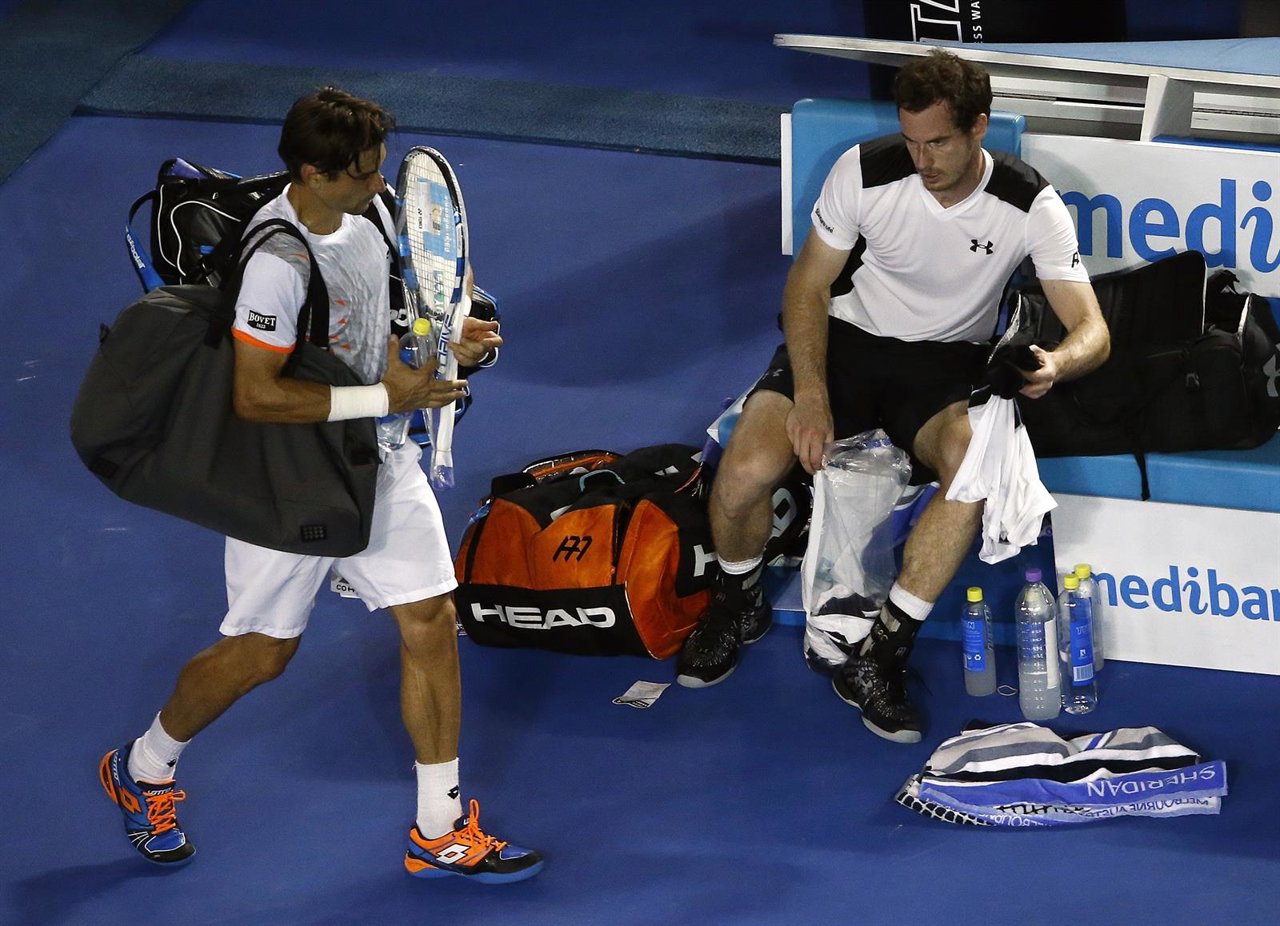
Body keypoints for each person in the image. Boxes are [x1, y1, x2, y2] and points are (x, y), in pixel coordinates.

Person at [98, 87, 544, 883]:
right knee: (262, 655)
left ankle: (438, 829)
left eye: (379, 169)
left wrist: (447, 340)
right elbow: (255, 396)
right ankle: (144, 765)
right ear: (313, 173)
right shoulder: (275, 262)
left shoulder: (373, 214)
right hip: (289, 474)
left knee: (430, 618)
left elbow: (376, 326)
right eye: (364, 173)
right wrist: (386, 396)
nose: (379, 185)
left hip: (379, 456)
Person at [675, 50, 1110, 744]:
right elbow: (807, 287)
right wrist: (811, 394)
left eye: (938, 143)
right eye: (911, 141)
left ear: (978, 127)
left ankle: (882, 652)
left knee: (972, 472)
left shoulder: (1028, 203)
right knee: (748, 467)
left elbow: (1093, 330)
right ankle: (736, 600)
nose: (922, 160)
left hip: (943, 367)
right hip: (846, 343)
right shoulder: (865, 170)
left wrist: (1056, 363)